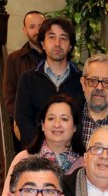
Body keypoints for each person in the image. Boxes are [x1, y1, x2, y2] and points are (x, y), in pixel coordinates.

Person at [0, 94, 85, 196]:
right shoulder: (24, 159)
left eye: (64, 119)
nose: (57, 124)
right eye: (51, 118)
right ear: (42, 125)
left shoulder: (85, 165)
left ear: (75, 126)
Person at [15, 17, 83, 148]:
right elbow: (23, 120)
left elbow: (82, 121)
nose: (57, 43)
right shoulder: (28, 79)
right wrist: (37, 150)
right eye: (51, 37)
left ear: (71, 46)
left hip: (73, 157)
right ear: (42, 44)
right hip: (36, 155)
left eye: (63, 38)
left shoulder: (82, 81)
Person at [3, 11, 45, 119]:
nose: (37, 31)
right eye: (32, 27)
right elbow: (9, 97)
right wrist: (22, 121)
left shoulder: (56, 57)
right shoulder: (14, 59)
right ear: (24, 30)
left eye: (41, 26)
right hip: (25, 126)